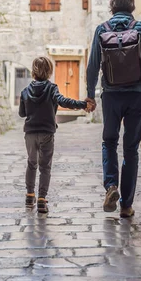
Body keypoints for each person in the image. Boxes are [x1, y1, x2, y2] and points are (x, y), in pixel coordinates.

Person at [85, 0, 141, 218]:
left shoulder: (102, 30)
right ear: (131, 8)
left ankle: (111, 186)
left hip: (111, 95)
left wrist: (90, 95)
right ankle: (126, 205)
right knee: (130, 149)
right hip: (137, 95)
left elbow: (92, 66)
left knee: (109, 142)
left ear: (111, 8)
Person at [19, 56, 88, 214]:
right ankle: (42, 200)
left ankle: (30, 195)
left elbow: (22, 113)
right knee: (45, 166)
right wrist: (83, 104)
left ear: (33, 71)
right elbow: (63, 101)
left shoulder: (25, 91)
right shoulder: (52, 88)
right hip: (47, 133)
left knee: (31, 163)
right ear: (49, 71)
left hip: (30, 133)